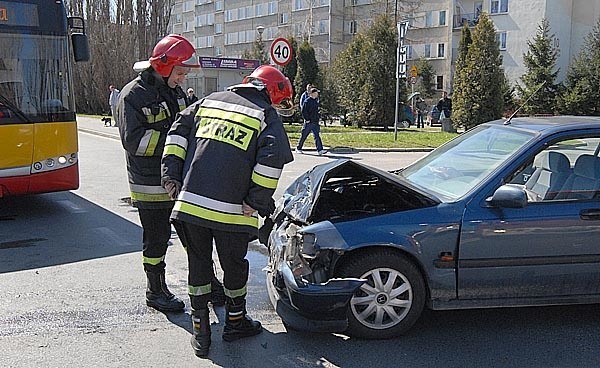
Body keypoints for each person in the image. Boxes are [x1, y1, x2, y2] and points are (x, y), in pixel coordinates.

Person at [162, 65, 294, 358]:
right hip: (233, 210)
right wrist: (256, 201)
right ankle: (235, 322)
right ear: (272, 92)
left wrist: (171, 178)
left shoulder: (209, 100)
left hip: (190, 205)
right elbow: (271, 162)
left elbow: (176, 133)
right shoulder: (265, 116)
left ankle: (201, 332)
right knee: (234, 266)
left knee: (198, 265)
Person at [115, 34, 225, 313]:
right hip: (149, 184)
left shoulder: (173, 92)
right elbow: (135, 142)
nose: (183, 78)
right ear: (163, 68)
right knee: (157, 239)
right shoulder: (132, 95)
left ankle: (208, 283)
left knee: (194, 236)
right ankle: (156, 290)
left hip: (178, 181)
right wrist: (174, 140)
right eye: (180, 72)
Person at [296, 87, 326, 155]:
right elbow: (304, 111)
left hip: (315, 122)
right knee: (304, 135)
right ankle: (298, 148)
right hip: (309, 122)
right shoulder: (307, 101)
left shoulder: (315, 101)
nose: (317, 94)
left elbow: (316, 111)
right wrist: (307, 119)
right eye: (316, 93)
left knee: (317, 136)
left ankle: (320, 150)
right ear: (312, 93)